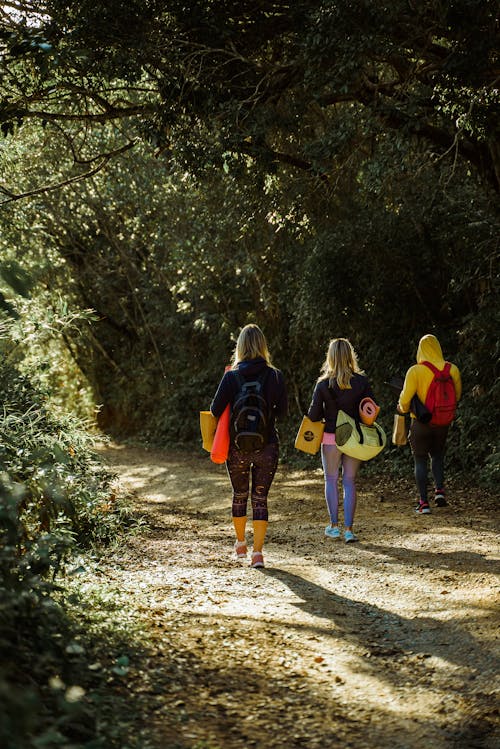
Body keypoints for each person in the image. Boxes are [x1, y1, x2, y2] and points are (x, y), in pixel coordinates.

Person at [210, 324, 288, 568]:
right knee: (260, 498)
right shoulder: (275, 375)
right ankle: (258, 554)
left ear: (240, 346)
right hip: (268, 445)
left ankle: (241, 543)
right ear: (263, 346)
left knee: (240, 495)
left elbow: (214, 410)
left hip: (237, 447)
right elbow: (283, 412)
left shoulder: (231, 376)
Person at [307, 338, 376, 543]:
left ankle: (333, 526)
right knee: (349, 481)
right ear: (350, 355)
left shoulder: (322, 385)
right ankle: (349, 530)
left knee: (330, 479)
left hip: (330, 436)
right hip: (354, 438)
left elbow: (313, 416)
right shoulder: (361, 382)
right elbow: (371, 409)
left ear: (330, 357)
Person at [398, 334, 462, 514]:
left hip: (421, 423)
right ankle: (440, 491)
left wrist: (402, 408)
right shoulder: (452, 369)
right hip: (443, 423)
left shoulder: (415, 371)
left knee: (420, 460)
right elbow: (456, 396)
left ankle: (423, 503)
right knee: (438, 455)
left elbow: (405, 400)